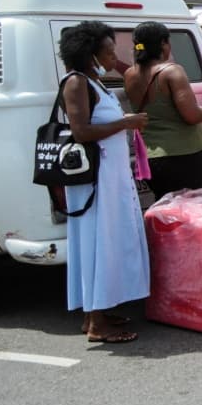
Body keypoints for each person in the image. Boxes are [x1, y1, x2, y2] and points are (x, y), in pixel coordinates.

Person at [57, 21, 150, 343]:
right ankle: (97, 323)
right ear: (90, 53)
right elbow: (81, 131)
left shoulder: (94, 82)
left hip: (110, 178)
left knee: (110, 240)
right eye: (109, 51)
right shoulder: (76, 82)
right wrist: (125, 123)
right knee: (100, 242)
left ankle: (96, 310)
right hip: (95, 181)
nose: (114, 56)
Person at [124, 21, 202, 200]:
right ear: (163, 44)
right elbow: (191, 115)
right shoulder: (172, 71)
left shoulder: (129, 74)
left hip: (150, 158)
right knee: (189, 214)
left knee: (165, 213)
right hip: (181, 155)